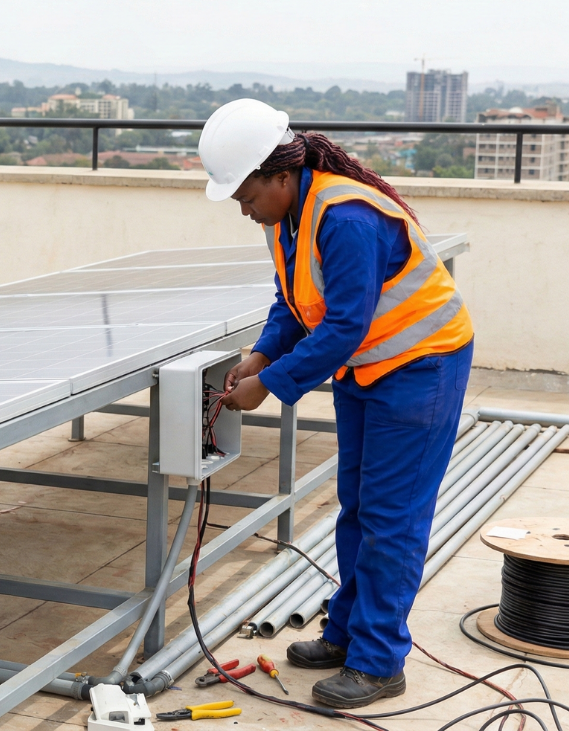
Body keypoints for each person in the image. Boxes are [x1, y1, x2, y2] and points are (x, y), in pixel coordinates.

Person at [202, 99, 474, 709]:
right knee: (357, 507)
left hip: (421, 365)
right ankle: (348, 633)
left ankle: (379, 663)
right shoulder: (288, 217)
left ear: (281, 175)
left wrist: (269, 385)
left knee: (391, 518)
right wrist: (261, 356)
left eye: (246, 197)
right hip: (368, 366)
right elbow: (294, 303)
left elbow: (345, 324)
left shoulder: (346, 217)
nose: (244, 210)